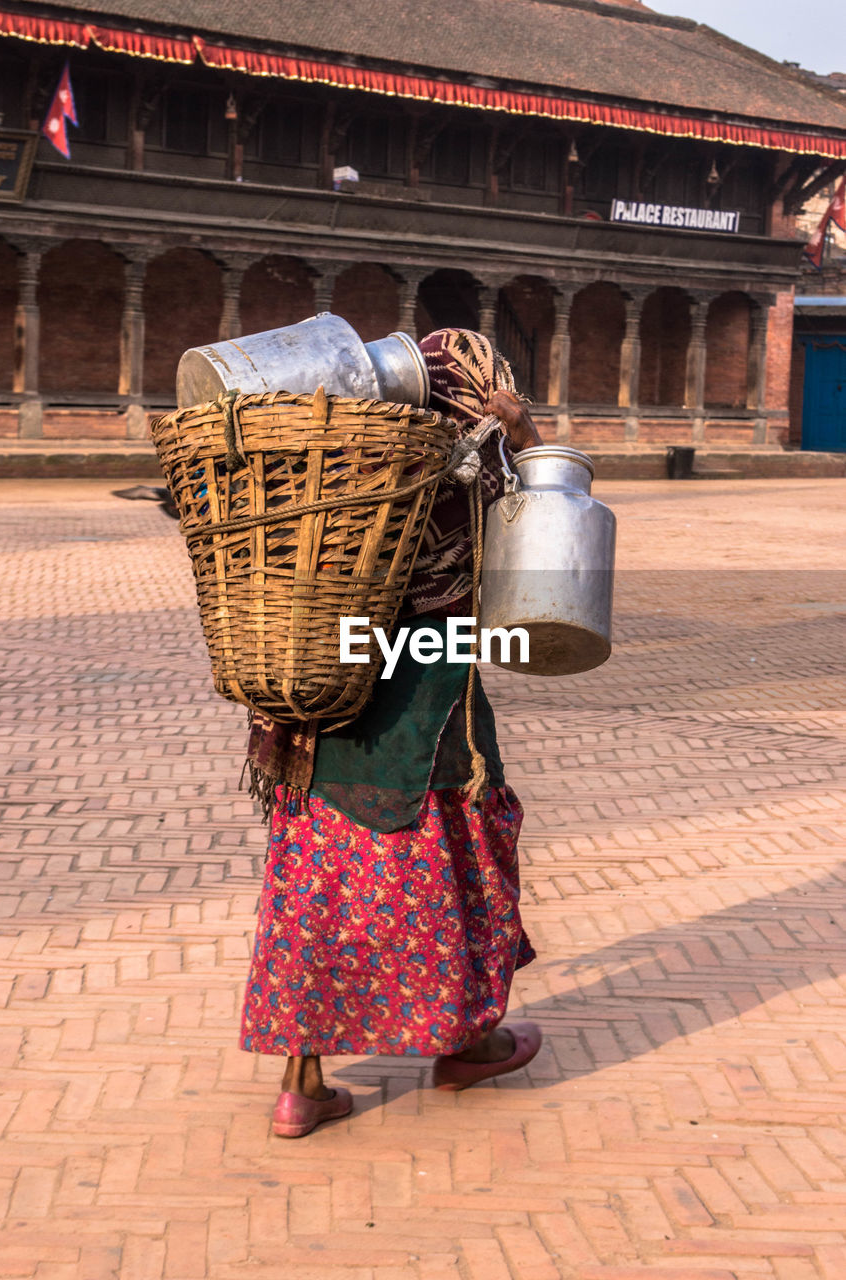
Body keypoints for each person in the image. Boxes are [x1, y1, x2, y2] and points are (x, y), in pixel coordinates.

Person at [240, 327, 544, 1138]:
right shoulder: (466, 466)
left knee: (318, 879)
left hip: (319, 687)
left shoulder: (333, 458)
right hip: (429, 673)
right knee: (455, 845)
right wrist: (521, 432)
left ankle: (300, 1084)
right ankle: (468, 1040)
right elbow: (550, 525)